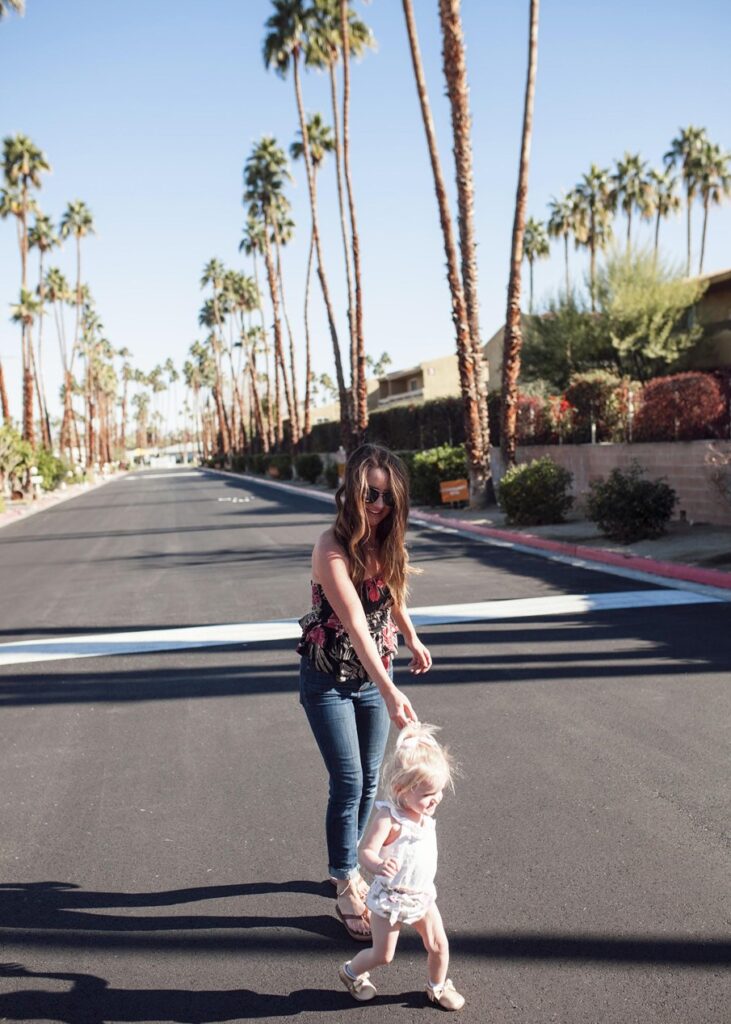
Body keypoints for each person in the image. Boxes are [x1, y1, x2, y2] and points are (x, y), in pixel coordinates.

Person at [298, 443, 432, 940]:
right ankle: (343, 880)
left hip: (373, 679)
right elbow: (354, 624)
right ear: (352, 491)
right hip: (328, 681)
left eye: (387, 497)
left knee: (370, 778)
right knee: (350, 781)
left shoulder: (385, 542)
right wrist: (391, 691)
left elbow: (392, 594)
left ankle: (352, 862)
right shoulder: (330, 548)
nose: (378, 504)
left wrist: (412, 636)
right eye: (370, 494)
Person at [338, 722, 465, 1011]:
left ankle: (436, 987)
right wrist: (378, 863)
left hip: (421, 896)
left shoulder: (423, 813)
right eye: (427, 794)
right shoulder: (390, 819)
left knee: (439, 946)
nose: (436, 799)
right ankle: (351, 973)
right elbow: (366, 851)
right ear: (401, 789)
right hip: (390, 899)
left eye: (440, 791)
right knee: (384, 955)